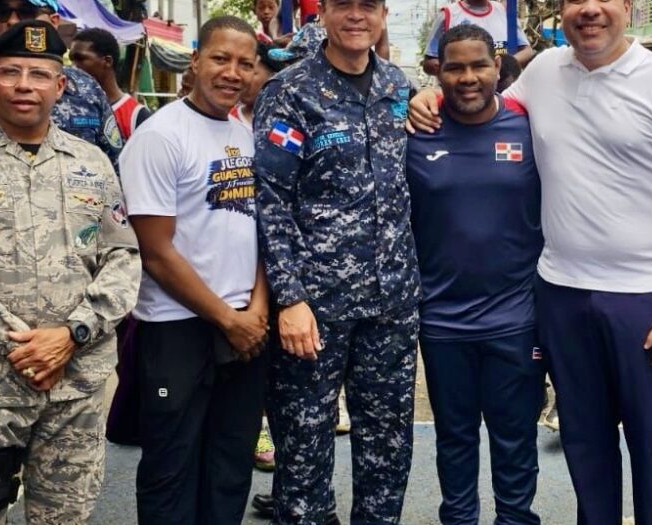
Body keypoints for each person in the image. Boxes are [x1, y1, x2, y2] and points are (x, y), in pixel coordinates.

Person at [409, 0, 652, 523]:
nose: (590, 10)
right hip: (560, 294)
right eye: (576, 0)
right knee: (584, 445)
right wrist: (428, 95)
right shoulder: (544, 72)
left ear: (627, 7)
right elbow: (477, 99)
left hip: (647, 298)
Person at [0, 20, 140, 524]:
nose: (25, 85)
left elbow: (123, 256)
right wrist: (21, 344)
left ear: (60, 86)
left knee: (65, 518)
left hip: (76, 384)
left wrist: (72, 333)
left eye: (40, 74)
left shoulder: (92, 163)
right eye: (11, 72)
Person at [254, 0, 420, 522]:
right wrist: (290, 298)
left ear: (383, 14)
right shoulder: (290, 91)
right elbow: (270, 200)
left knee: (388, 443)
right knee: (304, 445)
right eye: (343, 4)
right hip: (316, 306)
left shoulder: (397, 85)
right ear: (322, 13)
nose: (356, 16)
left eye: (367, 5)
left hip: (391, 301)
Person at [120, 16, 270, 525]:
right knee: (172, 467)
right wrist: (228, 320)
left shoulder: (246, 134)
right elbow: (156, 252)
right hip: (177, 328)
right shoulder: (160, 136)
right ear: (195, 60)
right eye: (220, 58)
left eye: (244, 63)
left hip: (245, 324)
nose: (232, 72)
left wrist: (256, 310)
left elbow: (261, 232)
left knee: (231, 463)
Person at [408, 24, 544, 525]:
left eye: (478, 65)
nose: (468, 77)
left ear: (497, 68)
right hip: (442, 320)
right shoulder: (414, 131)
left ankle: (515, 519)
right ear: (437, 72)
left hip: (516, 319)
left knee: (515, 438)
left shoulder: (530, 127)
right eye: (455, 67)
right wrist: (416, 100)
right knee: (455, 437)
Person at [0, 0, 121, 167]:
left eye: (26, 11)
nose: (12, 20)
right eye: (2, 11)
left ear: (54, 21)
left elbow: (115, 166)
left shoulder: (86, 88)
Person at [71, 27, 152, 141]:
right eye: (72, 60)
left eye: (80, 59)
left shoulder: (136, 115)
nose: (73, 67)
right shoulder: (70, 107)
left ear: (107, 61)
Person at [421, 0, 535, 76]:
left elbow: (527, 51)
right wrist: (457, 69)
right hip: (461, 97)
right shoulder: (448, 15)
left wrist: (505, 65)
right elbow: (429, 63)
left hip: (504, 95)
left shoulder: (504, 12)